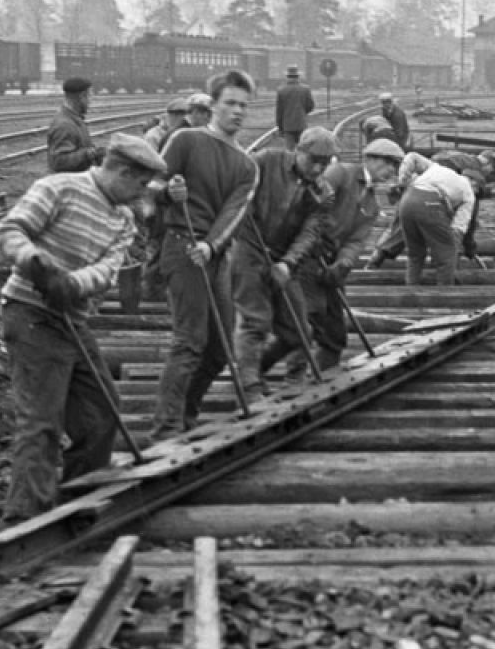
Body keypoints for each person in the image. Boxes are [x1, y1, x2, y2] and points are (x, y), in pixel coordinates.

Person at [0, 132, 166, 523]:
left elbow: (106, 272)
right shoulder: (58, 188)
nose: (142, 194)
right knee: (41, 420)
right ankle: (24, 518)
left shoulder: (123, 219)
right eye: (139, 184)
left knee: (101, 411)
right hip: (31, 314)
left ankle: (77, 498)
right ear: (120, 171)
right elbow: (8, 231)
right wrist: (36, 262)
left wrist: (71, 284)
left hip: (72, 317)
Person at [148, 69, 259, 439]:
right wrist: (168, 191)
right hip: (181, 247)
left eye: (243, 105)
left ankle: (187, 414)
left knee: (219, 349)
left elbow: (235, 213)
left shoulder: (247, 165)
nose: (237, 112)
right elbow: (150, 182)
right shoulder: (185, 140)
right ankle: (166, 429)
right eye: (230, 103)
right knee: (189, 340)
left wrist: (211, 245)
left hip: (212, 254)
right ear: (213, 105)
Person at [267, 133, 390, 378]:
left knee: (334, 335)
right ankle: (290, 375)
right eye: (388, 163)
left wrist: (343, 264)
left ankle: (322, 378)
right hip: (306, 257)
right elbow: (310, 202)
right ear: (371, 159)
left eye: (395, 165)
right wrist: (313, 237)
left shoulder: (372, 203)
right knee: (305, 323)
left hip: (330, 264)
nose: (391, 171)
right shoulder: (340, 174)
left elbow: (356, 240)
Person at [230, 125, 332, 398]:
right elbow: (239, 191)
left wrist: (288, 263)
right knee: (255, 321)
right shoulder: (266, 161)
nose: (317, 170)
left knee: (298, 330)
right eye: (313, 161)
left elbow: (310, 231)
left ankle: (254, 368)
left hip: (286, 259)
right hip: (248, 249)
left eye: (324, 164)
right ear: (298, 151)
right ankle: (249, 386)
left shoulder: (322, 192)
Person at [397, 141, 475, 286]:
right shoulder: (469, 193)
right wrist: (452, 253)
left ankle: (410, 290)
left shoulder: (436, 168)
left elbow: (412, 156)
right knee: (447, 253)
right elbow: (458, 229)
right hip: (430, 203)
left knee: (415, 253)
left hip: (406, 201)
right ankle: (444, 294)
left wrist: (402, 179)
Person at [49, 76, 102, 173]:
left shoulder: (75, 119)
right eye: (90, 96)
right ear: (82, 97)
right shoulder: (64, 125)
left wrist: (96, 153)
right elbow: (59, 162)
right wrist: (87, 154)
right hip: (68, 184)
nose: (91, 101)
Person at [274, 65, 315, 152]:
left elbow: (279, 112)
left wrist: (280, 128)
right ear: (298, 77)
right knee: (303, 151)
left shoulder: (281, 90)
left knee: (289, 152)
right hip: (301, 124)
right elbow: (311, 106)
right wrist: (303, 113)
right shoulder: (305, 89)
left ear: (287, 77)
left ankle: (291, 165)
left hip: (288, 127)